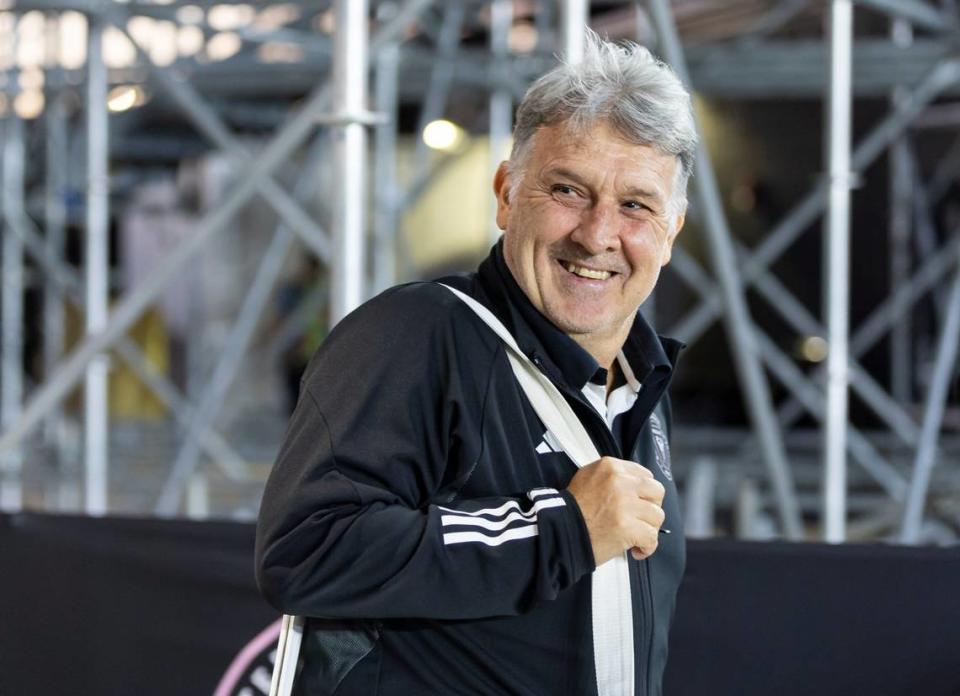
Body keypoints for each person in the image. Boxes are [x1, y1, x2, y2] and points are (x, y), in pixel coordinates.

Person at [256, 31, 697, 696]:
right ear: (505, 194)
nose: (599, 234)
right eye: (569, 190)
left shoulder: (640, 388)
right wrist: (563, 529)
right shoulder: (418, 335)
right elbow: (306, 548)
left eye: (636, 205)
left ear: (671, 232)